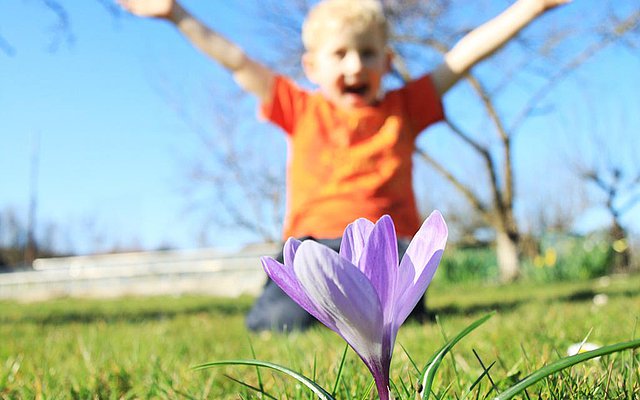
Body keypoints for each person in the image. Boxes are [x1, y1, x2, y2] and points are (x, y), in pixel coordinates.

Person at [119, 0, 570, 331]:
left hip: (385, 251)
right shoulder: (300, 109)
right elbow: (236, 61)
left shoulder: (405, 107)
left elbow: (464, 56)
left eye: (368, 53)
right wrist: (177, 14)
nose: (356, 64)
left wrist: (531, 7)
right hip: (312, 247)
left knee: (392, 324)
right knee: (276, 323)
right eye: (340, 54)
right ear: (311, 66)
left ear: (388, 62)